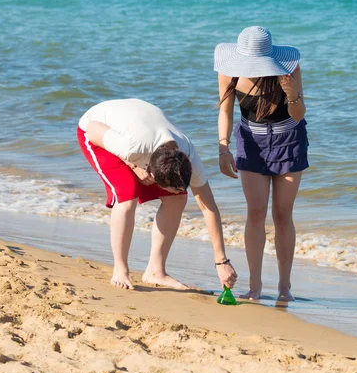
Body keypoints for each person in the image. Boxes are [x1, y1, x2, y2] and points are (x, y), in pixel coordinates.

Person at [76, 98, 237, 291]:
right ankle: (120, 269)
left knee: (178, 198)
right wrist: (132, 165)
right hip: (97, 129)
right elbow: (92, 130)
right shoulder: (131, 147)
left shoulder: (189, 156)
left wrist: (221, 261)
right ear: (152, 174)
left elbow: (208, 207)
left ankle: (155, 271)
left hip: (137, 127)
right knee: (127, 195)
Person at [214, 26, 308, 301]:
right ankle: (254, 287)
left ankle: (284, 288)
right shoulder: (229, 71)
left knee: (282, 214)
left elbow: (299, 115)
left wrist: (291, 93)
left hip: (288, 140)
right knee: (255, 213)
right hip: (251, 143)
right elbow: (225, 110)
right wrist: (223, 147)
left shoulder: (287, 70)